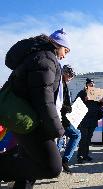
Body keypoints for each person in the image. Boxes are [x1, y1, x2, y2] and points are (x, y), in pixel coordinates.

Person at [0, 29, 70, 187]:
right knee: (52, 167)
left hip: (24, 116)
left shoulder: (39, 56)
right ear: (58, 45)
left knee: (29, 157)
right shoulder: (46, 58)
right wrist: (57, 130)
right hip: (29, 119)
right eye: (65, 50)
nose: (64, 55)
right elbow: (44, 100)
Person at [56, 65, 81, 174]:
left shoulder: (62, 84)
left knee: (60, 140)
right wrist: (68, 108)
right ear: (64, 73)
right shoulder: (60, 84)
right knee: (76, 135)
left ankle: (56, 162)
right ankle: (63, 161)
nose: (71, 78)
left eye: (72, 76)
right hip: (61, 118)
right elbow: (57, 103)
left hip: (61, 117)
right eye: (70, 75)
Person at [76, 78, 103, 163]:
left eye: (93, 84)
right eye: (90, 84)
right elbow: (76, 103)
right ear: (87, 84)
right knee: (83, 138)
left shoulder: (95, 93)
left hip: (93, 119)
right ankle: (80, 156)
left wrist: (102, 101)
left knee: (88, 138)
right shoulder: (82, 93)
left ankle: (85, 155)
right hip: (84, 119)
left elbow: (98, 105)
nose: (92, 85)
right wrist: (84, 99)